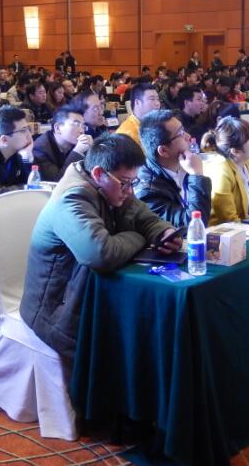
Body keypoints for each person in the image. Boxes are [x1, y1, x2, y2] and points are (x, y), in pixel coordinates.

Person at [21, 133, 177, 372]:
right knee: (135, 347)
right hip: (56, 313)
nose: (129, 190)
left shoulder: (113, 185)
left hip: (88, 296)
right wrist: (138, 237)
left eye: (133, 182)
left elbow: (143, 216)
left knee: (151, 333)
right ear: (98, 174)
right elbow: (100, 254)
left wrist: (163, 232)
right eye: (125, 183)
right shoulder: (71, 199)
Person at [135, 109, 213, 227]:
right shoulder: (148, 192)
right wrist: (197, 175)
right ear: (163, 151)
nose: (188, 136)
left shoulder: (184, 164)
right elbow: (193, 226)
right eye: (180, 134)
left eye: (184, 130)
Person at [201, 116, 249, 224]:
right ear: (235, 151)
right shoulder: (221, 172)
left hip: (247, 225)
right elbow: (229, 220)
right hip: (225, 231)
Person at [32, 106, 93, 182]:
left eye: (83, 126)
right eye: (76, 124)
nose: (82, 131)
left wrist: (92, 150)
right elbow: (57, 181)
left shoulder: (75, 142)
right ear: (58, 128)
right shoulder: (40, 149)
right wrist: (78, 151)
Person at [116, 82, 162, 148]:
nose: (157, 103)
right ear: (137, 102)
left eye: (158, 99)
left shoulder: (153, 123)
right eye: (152, 99)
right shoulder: (128, 135)